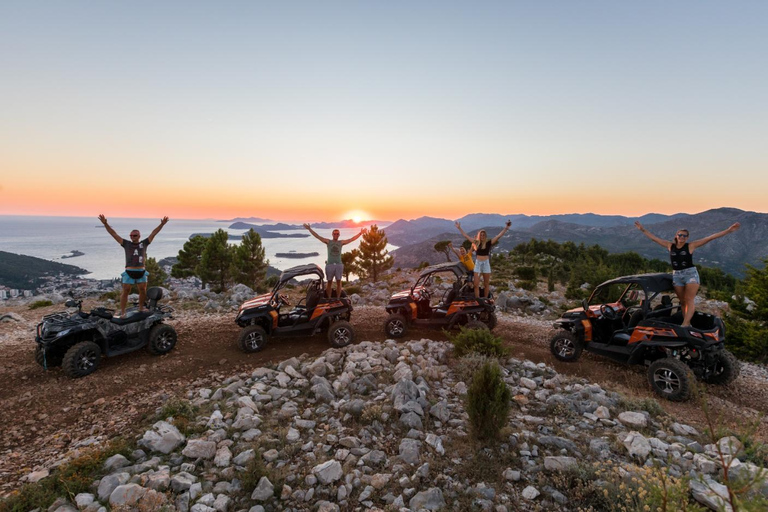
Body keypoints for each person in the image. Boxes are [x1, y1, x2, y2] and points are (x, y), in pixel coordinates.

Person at [635, 220, 740, 327]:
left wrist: (728, 230)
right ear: (676, 236)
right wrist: (642, 229)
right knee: (683, 301)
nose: (682, 237)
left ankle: (685, 324)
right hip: (677, 275)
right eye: (680, 235)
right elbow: (654, 239)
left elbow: (710, 238)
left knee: (689, 299)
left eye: (684, 236)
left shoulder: (691, 246)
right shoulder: (670, 246)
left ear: (687, 238)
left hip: (690, 275)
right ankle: (687, 322)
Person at [98, 214, 169, 317]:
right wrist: (105, 223)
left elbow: (154, 233)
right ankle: (123, 312)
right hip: (129, 271)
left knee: (142, 291)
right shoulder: (126, 244)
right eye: (131, 235)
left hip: (141, 271)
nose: (132, 237)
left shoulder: (144, 243)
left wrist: (161, 224)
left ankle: (141, 308)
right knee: (125, 291)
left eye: (134, 235)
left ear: (139, 236)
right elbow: (114, 234)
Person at [303, 224, 365, 298]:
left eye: (337, 234)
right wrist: (309, 229)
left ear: (339, 235)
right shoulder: (328, 242)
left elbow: (351, 239)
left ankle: (338, 298)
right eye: (335, 233)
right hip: (330, 264)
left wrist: (360, 233)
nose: (336, 235)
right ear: (332, 234)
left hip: (339, 264)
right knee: (329, 282)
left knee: (339, 282)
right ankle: (329, 299)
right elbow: (318, 237)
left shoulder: (341, 242)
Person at [455, 220, 511, 298]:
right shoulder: (477, 243)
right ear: (479, 236)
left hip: (486, 264)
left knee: (486, 284)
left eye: (483, 235)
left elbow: (498, 236)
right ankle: (477, 300)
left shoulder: (488, 243)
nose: (482, 236)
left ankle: (485, 299)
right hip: (478, 264)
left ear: (485, 236)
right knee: (476, 284)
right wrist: (459, 228)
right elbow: (466, 236)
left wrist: (506, 228)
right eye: (481, 235)